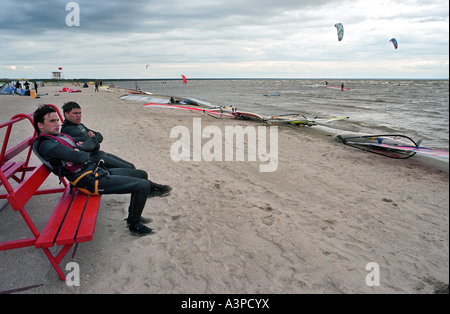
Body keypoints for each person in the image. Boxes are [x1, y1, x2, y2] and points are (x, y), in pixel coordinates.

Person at [32, 105, 172, 236]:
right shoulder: (46, 145)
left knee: (141, 174)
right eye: (52, 121)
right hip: (88, 181)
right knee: (143, 185)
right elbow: (80, 156)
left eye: (57, 120)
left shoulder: (59, 137)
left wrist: (82, 146)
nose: (57, 124)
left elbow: (90, 143)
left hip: (95, 170)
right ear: (40, 125)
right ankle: (134, 226)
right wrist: (82, 148)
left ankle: (133, 216)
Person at [61, 101, 135, 169]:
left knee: (131, 166)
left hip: (99, 153)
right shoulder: (68, 130)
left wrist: (92, 140)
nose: (79, 116)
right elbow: (91, 146)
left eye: (80, 113)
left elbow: (99, 136)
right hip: (93, 159)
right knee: (130, 168)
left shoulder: (80, 125)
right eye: (75, 113)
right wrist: (92, 140)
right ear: (66, 114)